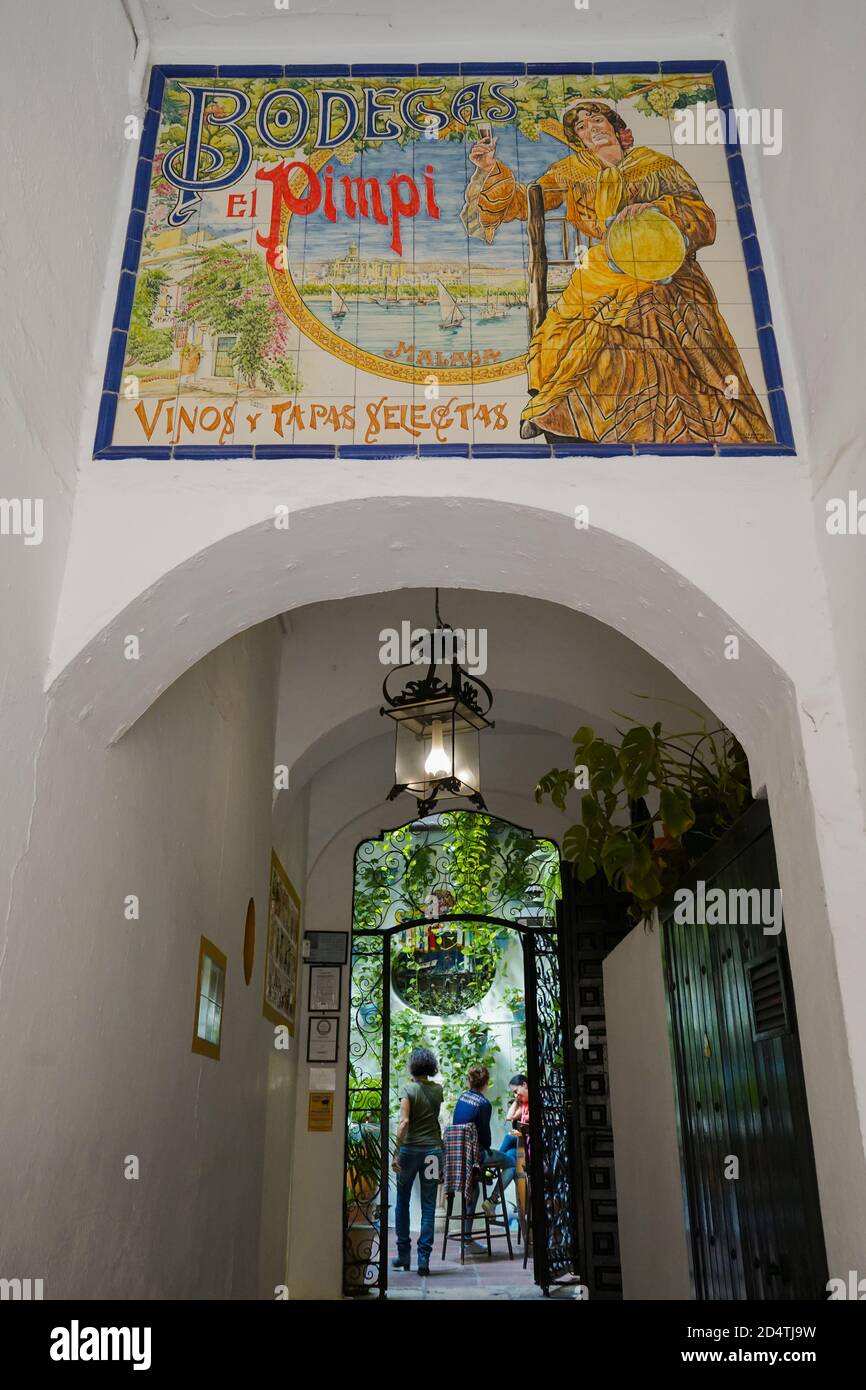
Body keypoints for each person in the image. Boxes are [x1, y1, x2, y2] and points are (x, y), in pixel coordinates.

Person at [462, 99, 773, 447]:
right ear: (579, 139)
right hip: (604, 270)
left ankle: (664, 423)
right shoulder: (572, 171)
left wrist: (656, 208)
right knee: (573, 325)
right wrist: (489, 170)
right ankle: (565, 411)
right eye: (581, 127)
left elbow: (703, 218)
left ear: (615, 128)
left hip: (666, 267)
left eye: (597, 120)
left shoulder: (656, 165)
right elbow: (521, 203)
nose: (591, 128)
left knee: (656, 312)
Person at [392, 1046, 444, 1276]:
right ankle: (424, 1259)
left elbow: (404, 1122)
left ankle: (404, 1255)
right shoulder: (438, 1090)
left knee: (402, 1201)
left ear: (413, 1066)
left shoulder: (408, 1088)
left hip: (410, 1152)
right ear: (430, 1066)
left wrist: (395, 1151)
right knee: (429, 1204)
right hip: (433, 1151)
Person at [452, 1064, 516, 1238]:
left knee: (475, 1189)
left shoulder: (462, 1098)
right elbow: (486, 1140)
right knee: (511, 1163)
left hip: (458, 1156)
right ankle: (493, 1201)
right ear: (486, 1083)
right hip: (475, 1155)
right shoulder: (484, 1104)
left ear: (470, 1081)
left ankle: (466, 1236)